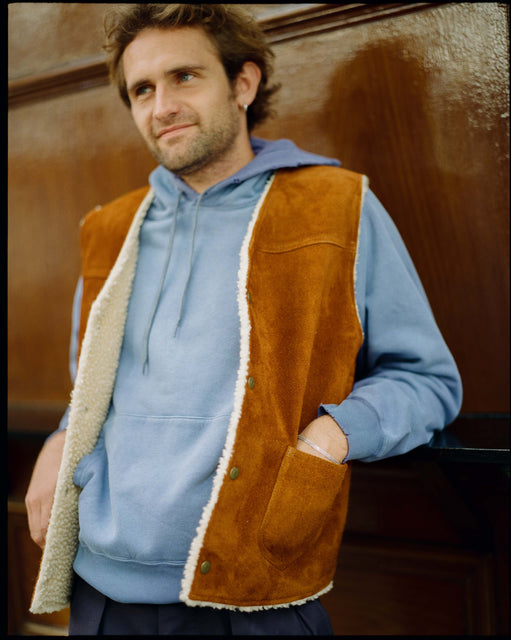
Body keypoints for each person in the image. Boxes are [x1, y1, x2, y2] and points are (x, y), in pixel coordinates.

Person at [25, 4, 462, 635]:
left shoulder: (337, 207)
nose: (162, 106)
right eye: (142, 89)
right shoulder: (108, 230)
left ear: (243, 83)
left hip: (256, 593)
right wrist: (58, 441)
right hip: (103, 594)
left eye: (184, 76)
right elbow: (90, 396)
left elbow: (427, 382)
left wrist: (328, 440)